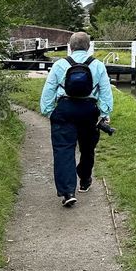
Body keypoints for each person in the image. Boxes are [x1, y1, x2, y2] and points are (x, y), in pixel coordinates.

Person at [40, 31, 113, 207]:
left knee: (63, 150)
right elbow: (105, 91)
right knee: (87, 148)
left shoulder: (60, 65)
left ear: (70, 47)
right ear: (88, 47)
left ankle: (68, 192)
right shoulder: (97, 65)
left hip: (65, 109)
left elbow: (49, 89)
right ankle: (85, 179)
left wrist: (49, 111)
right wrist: (104, 113)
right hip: (89, 110)